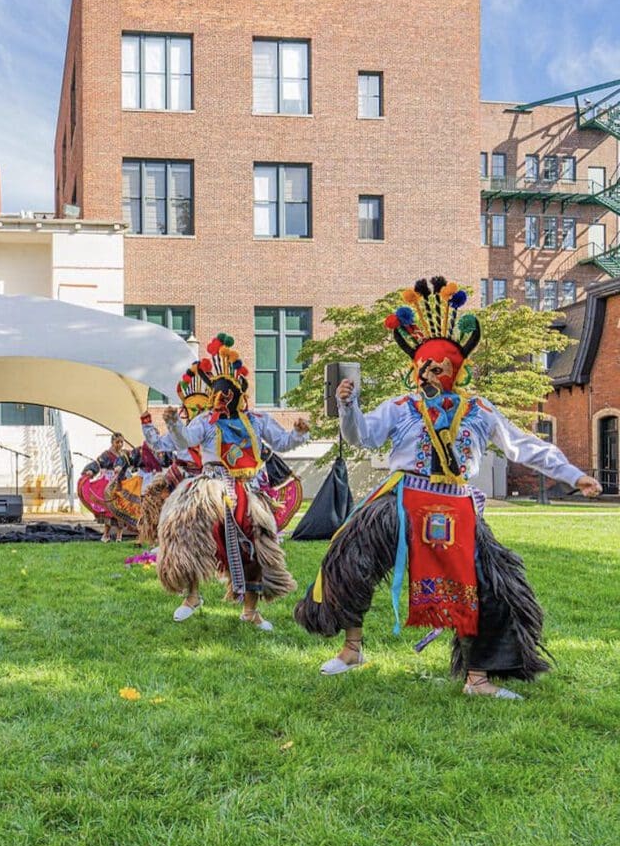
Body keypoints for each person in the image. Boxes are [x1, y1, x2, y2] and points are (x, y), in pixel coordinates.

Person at [294, 276, 602, 697]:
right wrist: (348, 406)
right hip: (400, 500)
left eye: (442, 365)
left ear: (458, 369)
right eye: (426, 365)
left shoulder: (479, 409)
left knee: (492, 584)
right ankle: (352, 649)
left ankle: (478, 678)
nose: (433, 371)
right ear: (414, 370)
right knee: (348, 559)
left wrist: (573, 474)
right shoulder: (403, 407)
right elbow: (362, 436)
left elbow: (524, 445)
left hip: (455, 505)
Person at [159, 335, 309, 627]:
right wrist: (174, 424)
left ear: (240, 393)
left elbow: (282, 442)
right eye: (218, 394)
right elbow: (184, 440)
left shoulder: (256, 420)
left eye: (227, 393)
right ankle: (192, 595)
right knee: (190, 532)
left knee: (256, 545)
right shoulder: (205, 422)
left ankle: (250, 611)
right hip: (210, 488)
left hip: (249, 492)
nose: (221, 399)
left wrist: (299, 433)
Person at [77, 433, 131, 540]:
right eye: (117, 442)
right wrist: (91, 471)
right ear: (112, 442)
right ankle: (106, 534)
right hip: (109, 483)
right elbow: (98, 464)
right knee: (109, 510)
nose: (120, 444)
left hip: (122, 482)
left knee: (122, 508)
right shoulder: (106, 455)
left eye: (121, 442)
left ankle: (119, 536)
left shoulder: (124, 454)